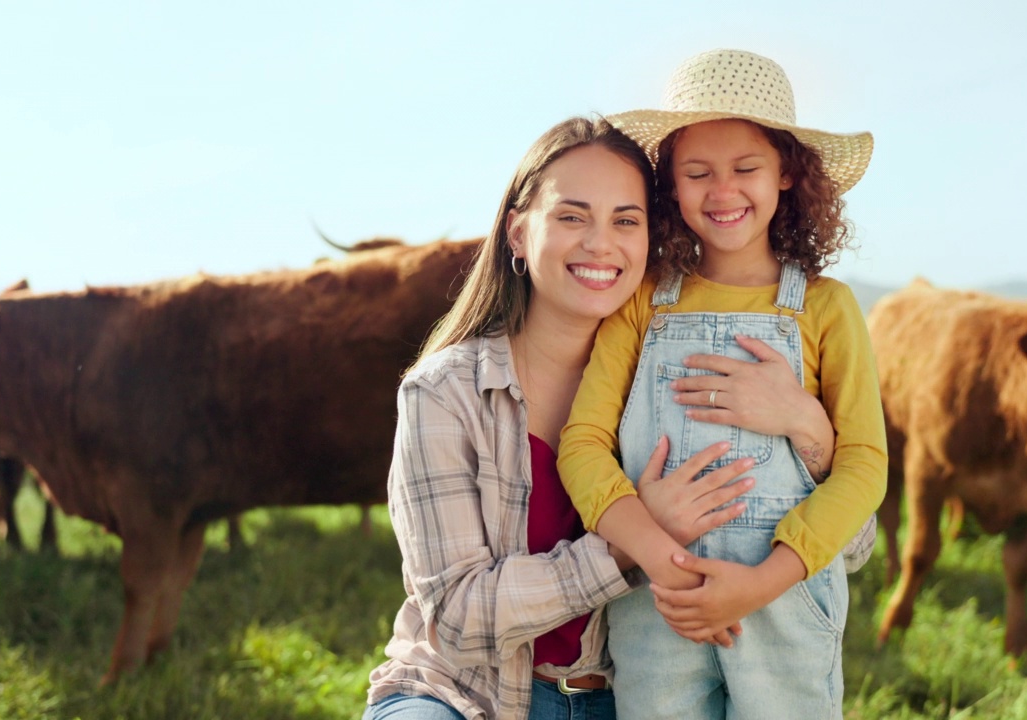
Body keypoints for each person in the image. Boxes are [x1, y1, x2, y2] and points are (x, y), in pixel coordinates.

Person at [363, 116, 838, 720]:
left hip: (629, 699)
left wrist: (810, 430)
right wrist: (630, 543)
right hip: (464, 695)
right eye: (571, 216)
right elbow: (458, 618)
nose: (600, 243)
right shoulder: (446, 392)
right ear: (517, 231)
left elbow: (849, 544)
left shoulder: (677, 368)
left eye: (626, 220)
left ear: (651, 237)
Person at [556, 49, 887, 719]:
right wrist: (657, 556)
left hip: (785, 600)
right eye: (697, 172)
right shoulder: (642, 301)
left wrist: (762, 581)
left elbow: (864, 466)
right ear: (669, 186)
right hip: (658, 601)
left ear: (788, 172)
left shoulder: (826, 308)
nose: (723, 191)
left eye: (747, 169)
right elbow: (583, 444)